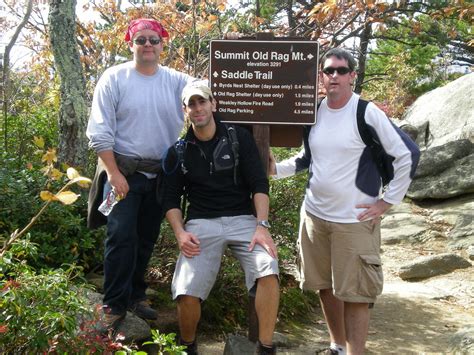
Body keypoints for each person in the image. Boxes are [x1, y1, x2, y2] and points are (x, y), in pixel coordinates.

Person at [270, 48, 420, 354]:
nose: (334, 76)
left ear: (352, 75)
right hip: (314, 216)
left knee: (355, 295)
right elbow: (306, 159)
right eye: (328, 71)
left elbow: (407, 154)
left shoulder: (366, 112)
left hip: (354, 221)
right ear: (322, 76)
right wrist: (275, 170)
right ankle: (337, 346)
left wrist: (387, 201)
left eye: (341, 70)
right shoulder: (315, 112)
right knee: (326, 286)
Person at [86, 18, 194, 330]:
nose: (148, 45)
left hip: (161, 174)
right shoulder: (114, 78)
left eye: (154, 40)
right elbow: (99, 131)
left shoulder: (176, 81)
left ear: (163, 43)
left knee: (146, 237)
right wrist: (114, 174)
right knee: (121, 236)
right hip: (122, 172)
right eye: (141, 40)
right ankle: (114, 303)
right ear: (130, 43)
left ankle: (135, 294)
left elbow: (206, 93)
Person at [162, 82, 280, 354]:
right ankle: (188, 345)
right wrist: (180, 233)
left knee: (268, 270)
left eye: (202, 102)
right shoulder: (178, 151)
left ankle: (265, 347)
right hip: (201, 224)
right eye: (191, 104)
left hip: (244, 220)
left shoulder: (238, 138)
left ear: (213, 104)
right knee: (186, 289)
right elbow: (170, 200)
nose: (198, 108)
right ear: (185, 110)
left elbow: (259, 185)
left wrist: (261, 226)